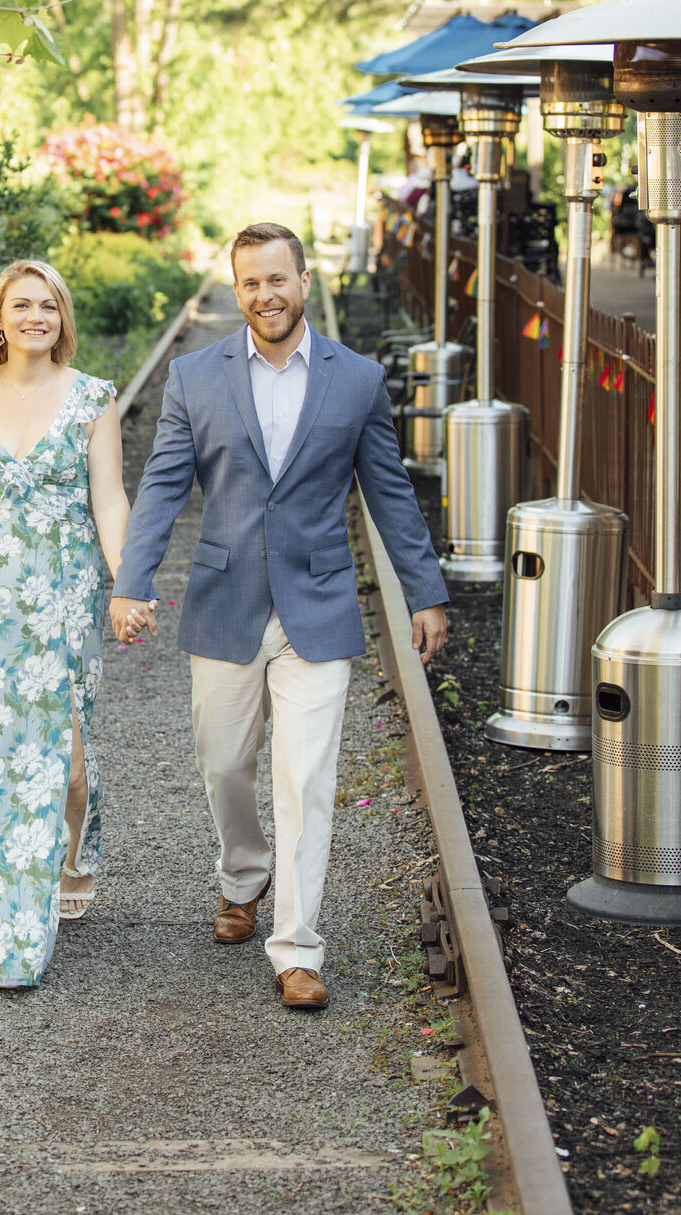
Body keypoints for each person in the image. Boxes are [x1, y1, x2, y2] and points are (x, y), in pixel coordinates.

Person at [109, 222, 447, 1011]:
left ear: (303, 281)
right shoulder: (195, 377)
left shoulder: (355, 379)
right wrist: (131, 582)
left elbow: (390, 493)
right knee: (224, 764)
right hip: (225, 601)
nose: (266, 295)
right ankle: (243, 876)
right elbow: (162, 487)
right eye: (251, 283)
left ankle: (297, 948)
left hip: (317, 605)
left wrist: (425, 591)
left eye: (278, 279)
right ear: (238, 292)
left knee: (306, 778)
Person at [0, 259, 129, 988]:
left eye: (49, 306)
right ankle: (6, 929)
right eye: (22, 306)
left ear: (62, 319)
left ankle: (71, 851)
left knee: (65, 763)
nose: (36, 316)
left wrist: (128, 582)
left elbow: (109, 499)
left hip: (61, 597)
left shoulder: (92, 398)